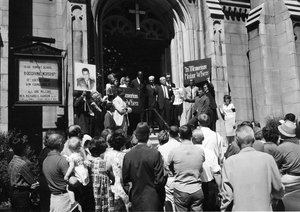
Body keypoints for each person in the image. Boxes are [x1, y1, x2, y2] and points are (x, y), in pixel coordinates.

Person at [220, 125, 284, 211]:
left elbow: (227, 196)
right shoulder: (268, 159)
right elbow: (278, 189)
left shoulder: (229, 163)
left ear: (236, 140)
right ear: (253, 139)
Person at [122, 122, 166, 211]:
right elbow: (160, 181)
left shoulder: (128, 155)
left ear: (136, 136)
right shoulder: (155, 154)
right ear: (148, 135)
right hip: (153, 199)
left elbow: (125, 179)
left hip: (136, 199)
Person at [167, 125, 205, 211]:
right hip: (196, 188)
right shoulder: (200, 151)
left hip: (181, 188)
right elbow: (201, 165)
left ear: (179, 135)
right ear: (191, 135)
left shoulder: (174, 151)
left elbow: (168, 166)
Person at [43, 132, 78, 212]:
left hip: (54, 199)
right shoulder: (62, 160)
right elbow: (73, 182)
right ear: (60, 144)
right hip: (64, 200)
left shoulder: (45, 160)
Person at [8, 134, 39, 212]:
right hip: (22, 195)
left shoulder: (11, 162)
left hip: (13, 193)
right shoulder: (22, 164)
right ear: (23, 150)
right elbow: (31, 180)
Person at [192, 128, 221, 211]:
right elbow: (216, 173)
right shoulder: (210, 152)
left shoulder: (189, 152)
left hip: (194, 185)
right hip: (209, 186)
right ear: (203, 139)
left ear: (192, 139)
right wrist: (220, 189)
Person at [88, 137, 115, 212]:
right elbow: (113, 178)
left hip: (92, 192)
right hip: (103, 193)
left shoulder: (89, 163)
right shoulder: (106, 163)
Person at [157, 128, 181, 211]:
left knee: (169, 204)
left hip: (169, 178)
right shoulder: (181, 145)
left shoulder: (161, 148)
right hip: (180, 177)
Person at [63, 137, 90, 208]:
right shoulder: (80, 155)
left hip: (79, 176)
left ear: (69, 148)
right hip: (85, 174)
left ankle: (73, 202)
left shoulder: (72, 157)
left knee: (69, 187)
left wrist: (66, 175)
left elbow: (71, 167)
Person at [108, 131, 130, 212]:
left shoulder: (108, 154)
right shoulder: (124, 156)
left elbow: (107, 169)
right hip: (123, 185)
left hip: (112, 185)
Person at [276, 121, 300, 194]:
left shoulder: (281, 148)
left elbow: (275, 165)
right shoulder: (298, 144)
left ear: (282, 134)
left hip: (288, 179)